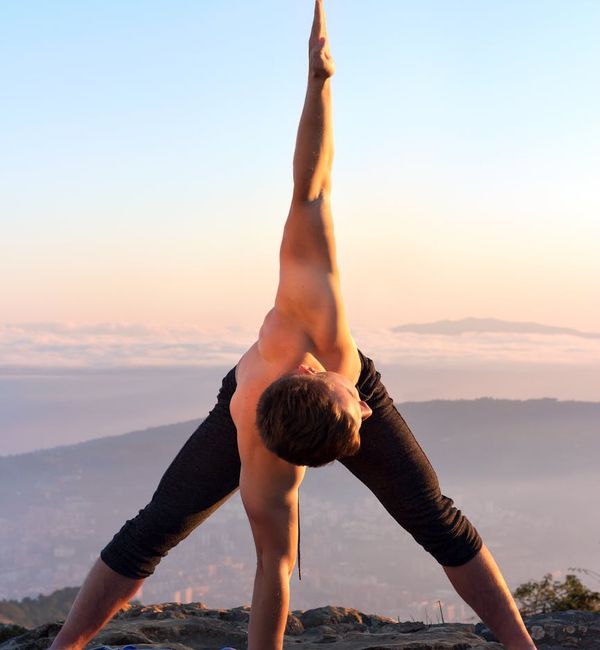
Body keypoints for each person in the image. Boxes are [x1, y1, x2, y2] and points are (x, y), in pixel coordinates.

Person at [48, 3, 537, 650]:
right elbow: (274, 569)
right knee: (155, 527)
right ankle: (63, 647)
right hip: (260, 407)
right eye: (361, 409)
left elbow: (310, 187)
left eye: (359, 408)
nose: (369, 405)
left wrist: (318, 83)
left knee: (436, 519)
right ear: (315, 374)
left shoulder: (314, 316)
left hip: (292, 391)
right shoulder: (258, 442)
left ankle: (523, 646)